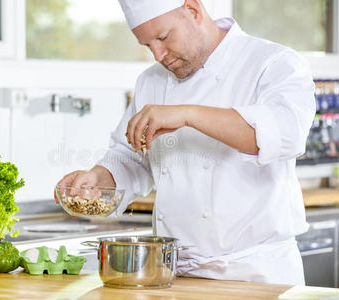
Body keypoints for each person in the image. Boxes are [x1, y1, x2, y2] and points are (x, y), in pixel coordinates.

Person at [55, 0, 316, 285]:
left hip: (257, 275)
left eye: (163, 37)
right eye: (147, 45)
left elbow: (286, 133)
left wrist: (187, 114)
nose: (158, 55)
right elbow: (131, 158)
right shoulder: (151, 81)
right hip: (177, 275)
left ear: (193, 10)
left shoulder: (272, 62)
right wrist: (98, 179)